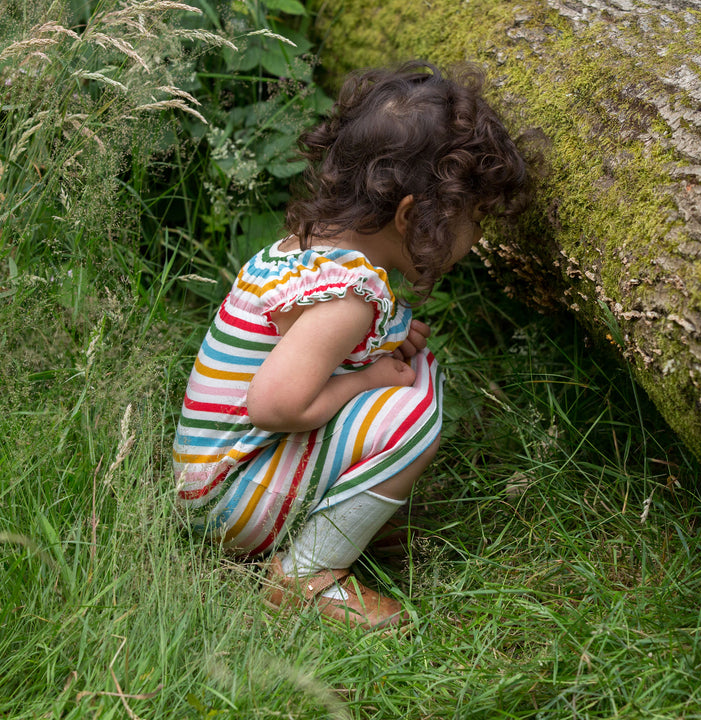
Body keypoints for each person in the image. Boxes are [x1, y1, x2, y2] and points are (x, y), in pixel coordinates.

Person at [173, 60, 532, 630]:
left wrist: (383, 344)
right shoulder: (347, 297)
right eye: (475, 217)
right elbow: (274, 406)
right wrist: (368, 378)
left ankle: (356, 516)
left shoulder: (310, 251)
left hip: (217, 477)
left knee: (416, 373)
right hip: (228, 498)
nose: (478, 237)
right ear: (414, 215)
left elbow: (312, 349)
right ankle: (304, 576)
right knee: (410, 414)